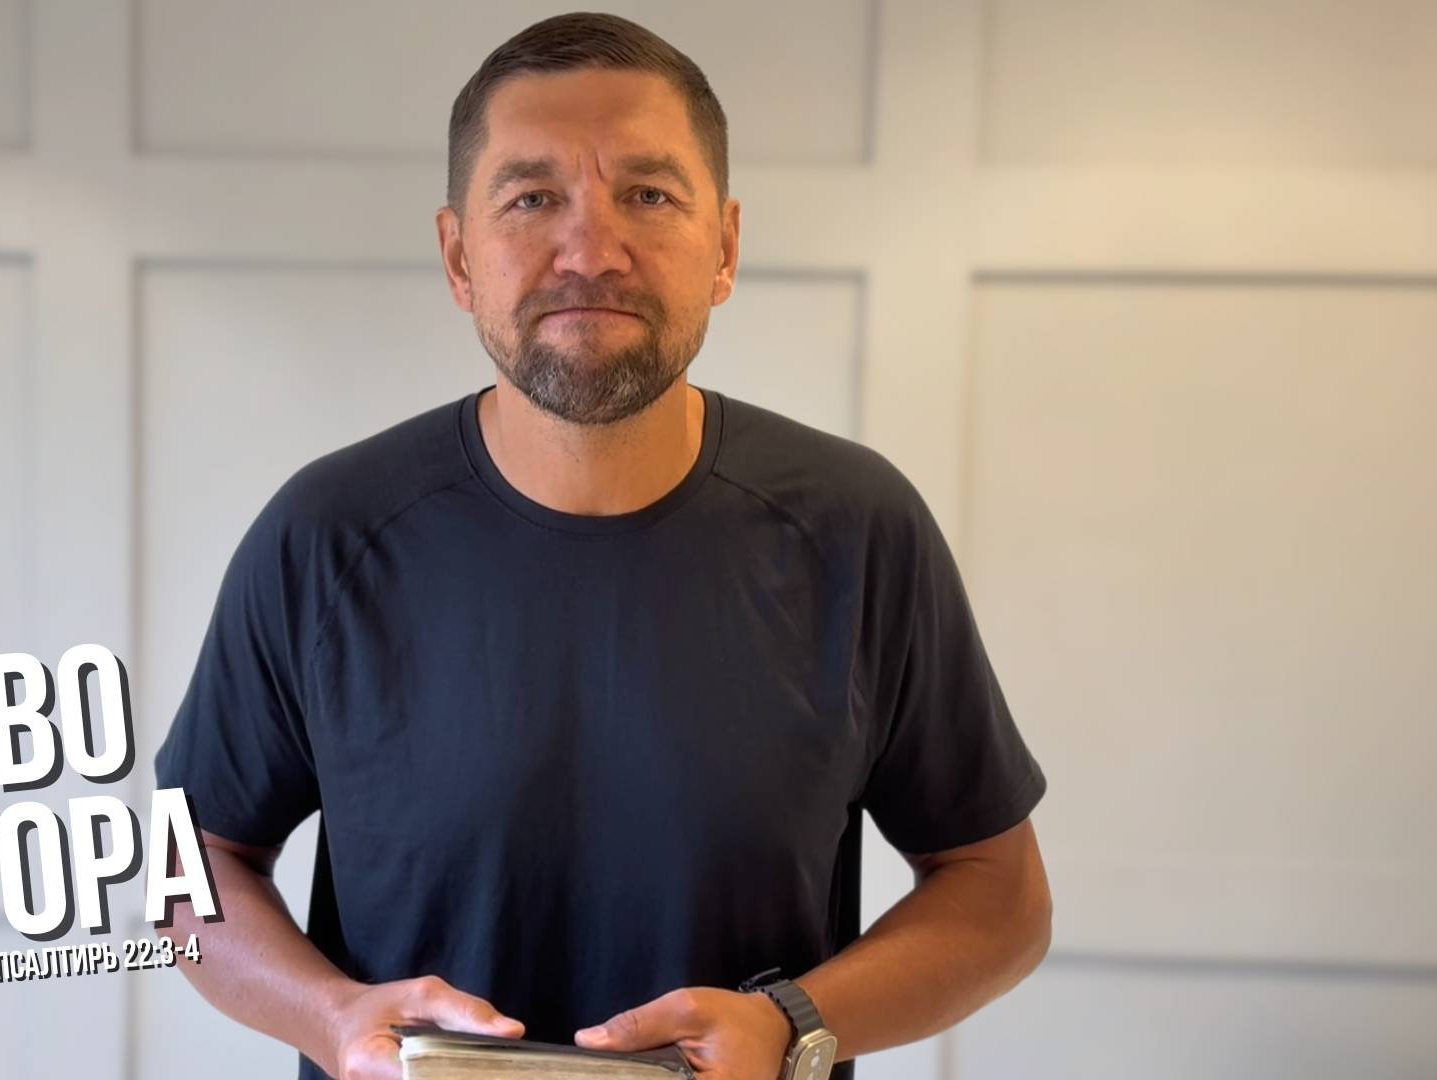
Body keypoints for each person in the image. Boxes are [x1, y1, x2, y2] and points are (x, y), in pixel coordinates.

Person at [153, 13, 1051, 1080]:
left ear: (725, 248)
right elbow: (186, 865)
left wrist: (793, 1025)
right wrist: (331, 1016)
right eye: (532, 198)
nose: (591, 252)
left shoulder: (857, 531)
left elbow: (998, 891)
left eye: (649, 195)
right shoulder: (328, 536)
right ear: (459, 256)